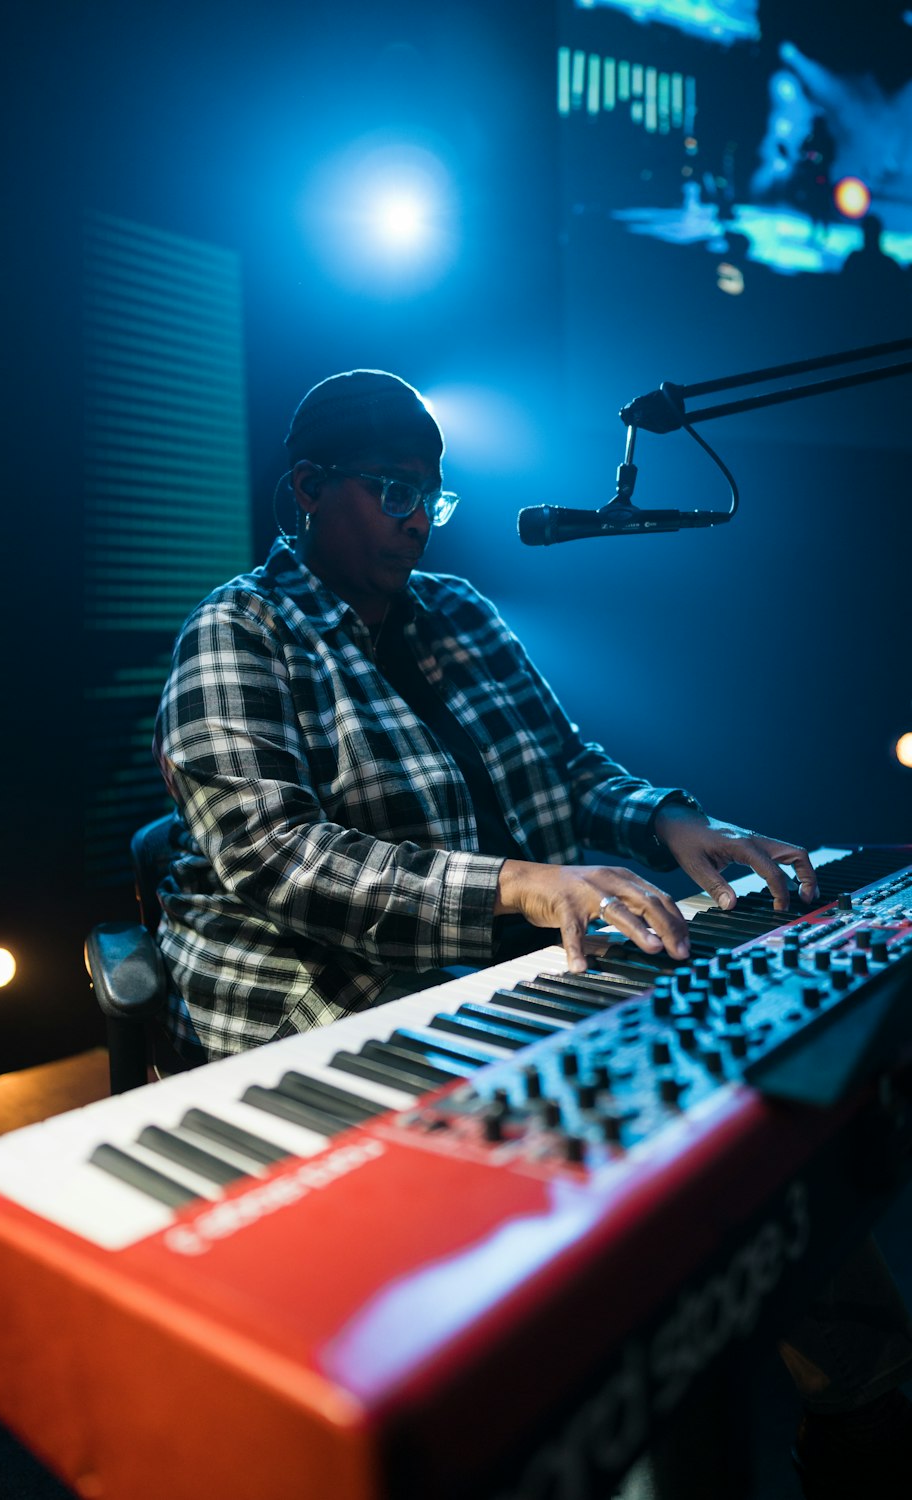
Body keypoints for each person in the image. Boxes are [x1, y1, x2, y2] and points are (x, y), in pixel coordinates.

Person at [153, 369, 912, 1497]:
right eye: (389, 489)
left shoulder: (459, 611)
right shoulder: (238, 628)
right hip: (319, 998)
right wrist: (518, 883)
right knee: (626, 1180)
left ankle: (856, 1412)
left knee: (751, 1115)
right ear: (308, 489)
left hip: (485, 976)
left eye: (431, 495)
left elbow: (565, 763)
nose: (416, 517)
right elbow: (273, 856)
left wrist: (673, 819)